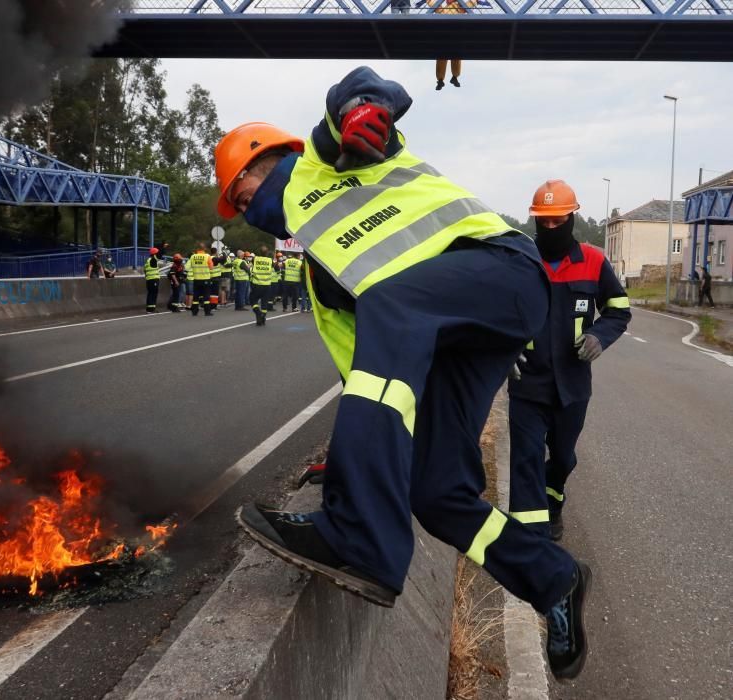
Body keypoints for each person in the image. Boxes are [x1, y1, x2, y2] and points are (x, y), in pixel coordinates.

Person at [216, 66, 591, 680]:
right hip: (461, 339)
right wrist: (353, 459)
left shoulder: (322, 159)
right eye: (235, 205)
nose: (242, 208)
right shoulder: (321, 266)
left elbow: (360, 94)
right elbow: (368, 376)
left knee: (393, 298)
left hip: (499, 270)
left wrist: (365, 111)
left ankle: (359, 537)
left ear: (268, 160)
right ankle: (554, 580)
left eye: (240, 190)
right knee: (437, 494)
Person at [507, 180, 631, 544]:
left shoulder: (593, 261)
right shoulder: (520, 260)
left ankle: (554, 503)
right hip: (527, 383)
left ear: (571, 218)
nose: (549, 229)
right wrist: (504, 347)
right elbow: (497, 313)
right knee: (525, 460)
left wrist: (599, 336)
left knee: (561, 458)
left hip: (573, 385)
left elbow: (618, 310)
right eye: (542, 222)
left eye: (556, 221)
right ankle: (530, 538)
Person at [248, 245, 275, 326]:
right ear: (267, 253)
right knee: (264, 303)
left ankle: (258, 313)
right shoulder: (270, 261)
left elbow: (251, 265)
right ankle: (262, 318)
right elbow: (276, 268)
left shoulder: (255, 259)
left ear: (259, 252)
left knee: (253, 300)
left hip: (257, 284)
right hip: (267, 285)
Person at [188, 244, 213, 316]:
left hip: (196, 279)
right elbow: (211, 267)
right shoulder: (207, 256)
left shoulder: (193, 256)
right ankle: (207, 312)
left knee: (196, 296)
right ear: (204, 249)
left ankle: (194, 311)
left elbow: (188, 267)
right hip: (205, 279)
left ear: (197, 249)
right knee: (206, 296)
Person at [143, 247, 162, 313]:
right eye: (157, 253)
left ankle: (150, 308)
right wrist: (163, 247)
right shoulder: (153, 260)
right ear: (154, 254)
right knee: (153, 293)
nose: (158, 254)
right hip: (153, 279)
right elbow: (160, 256)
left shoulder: (148, 260)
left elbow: (145, 270)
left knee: (150, 293)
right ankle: (151, 309)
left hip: (149, 280)